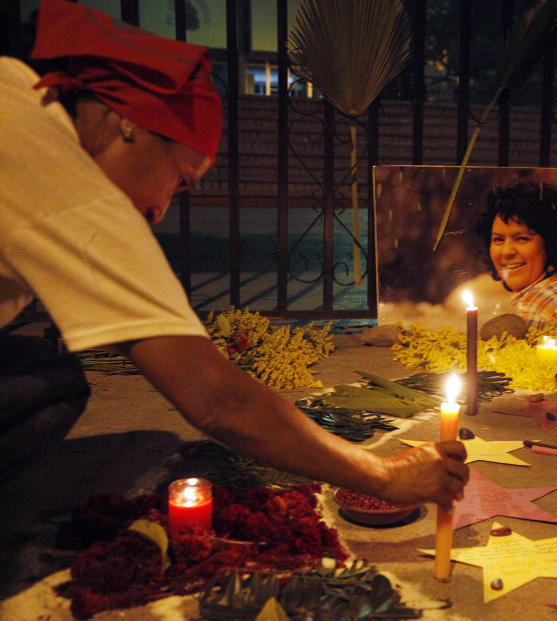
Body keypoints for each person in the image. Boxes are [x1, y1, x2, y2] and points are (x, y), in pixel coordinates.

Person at [0, 0, 468, 510]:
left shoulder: (18, 96)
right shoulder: (64, 178)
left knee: (42, 377)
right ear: (128, 124)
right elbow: (218, 401)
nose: (158, 210)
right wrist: (383, 474)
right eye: (179, 181)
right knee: (46, 385)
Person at [475, 180, 557, 331]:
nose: (506, 251)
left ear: (551, 243)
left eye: (522, 239)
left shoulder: (533, 307)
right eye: (498, 240)